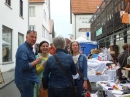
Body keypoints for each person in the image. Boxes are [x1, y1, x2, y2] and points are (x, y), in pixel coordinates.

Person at [15, 30, 42, 97]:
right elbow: (24, 66)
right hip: (25, 81)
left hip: (28, 80)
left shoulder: (29, 48)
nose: (34, 39)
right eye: (32, 37)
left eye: (35, 37)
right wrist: (36, 61)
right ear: (26, 37)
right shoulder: (23, 49)